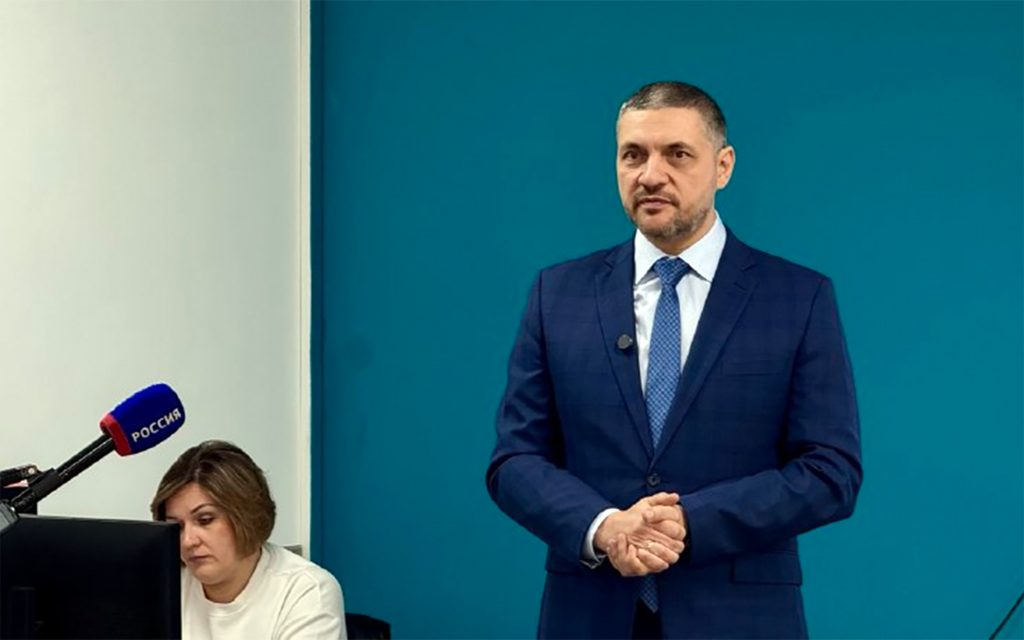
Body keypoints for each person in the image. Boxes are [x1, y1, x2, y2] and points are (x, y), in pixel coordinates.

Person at [486, 81, 862, 639]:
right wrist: (603, 526)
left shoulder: (797, 299)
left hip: (740, 621)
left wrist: (689, 521)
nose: (650, 175)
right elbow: (515, 460)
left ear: (723, 166)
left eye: (677, 154)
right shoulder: (557, 295)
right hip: (587, 616)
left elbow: (831, 471)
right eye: (632, 155)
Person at [151, 440, 347, 639]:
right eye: (176, 526)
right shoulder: (166, 586)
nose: (187, 541)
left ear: (245, 515)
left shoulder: (307, 591)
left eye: (205, 520)